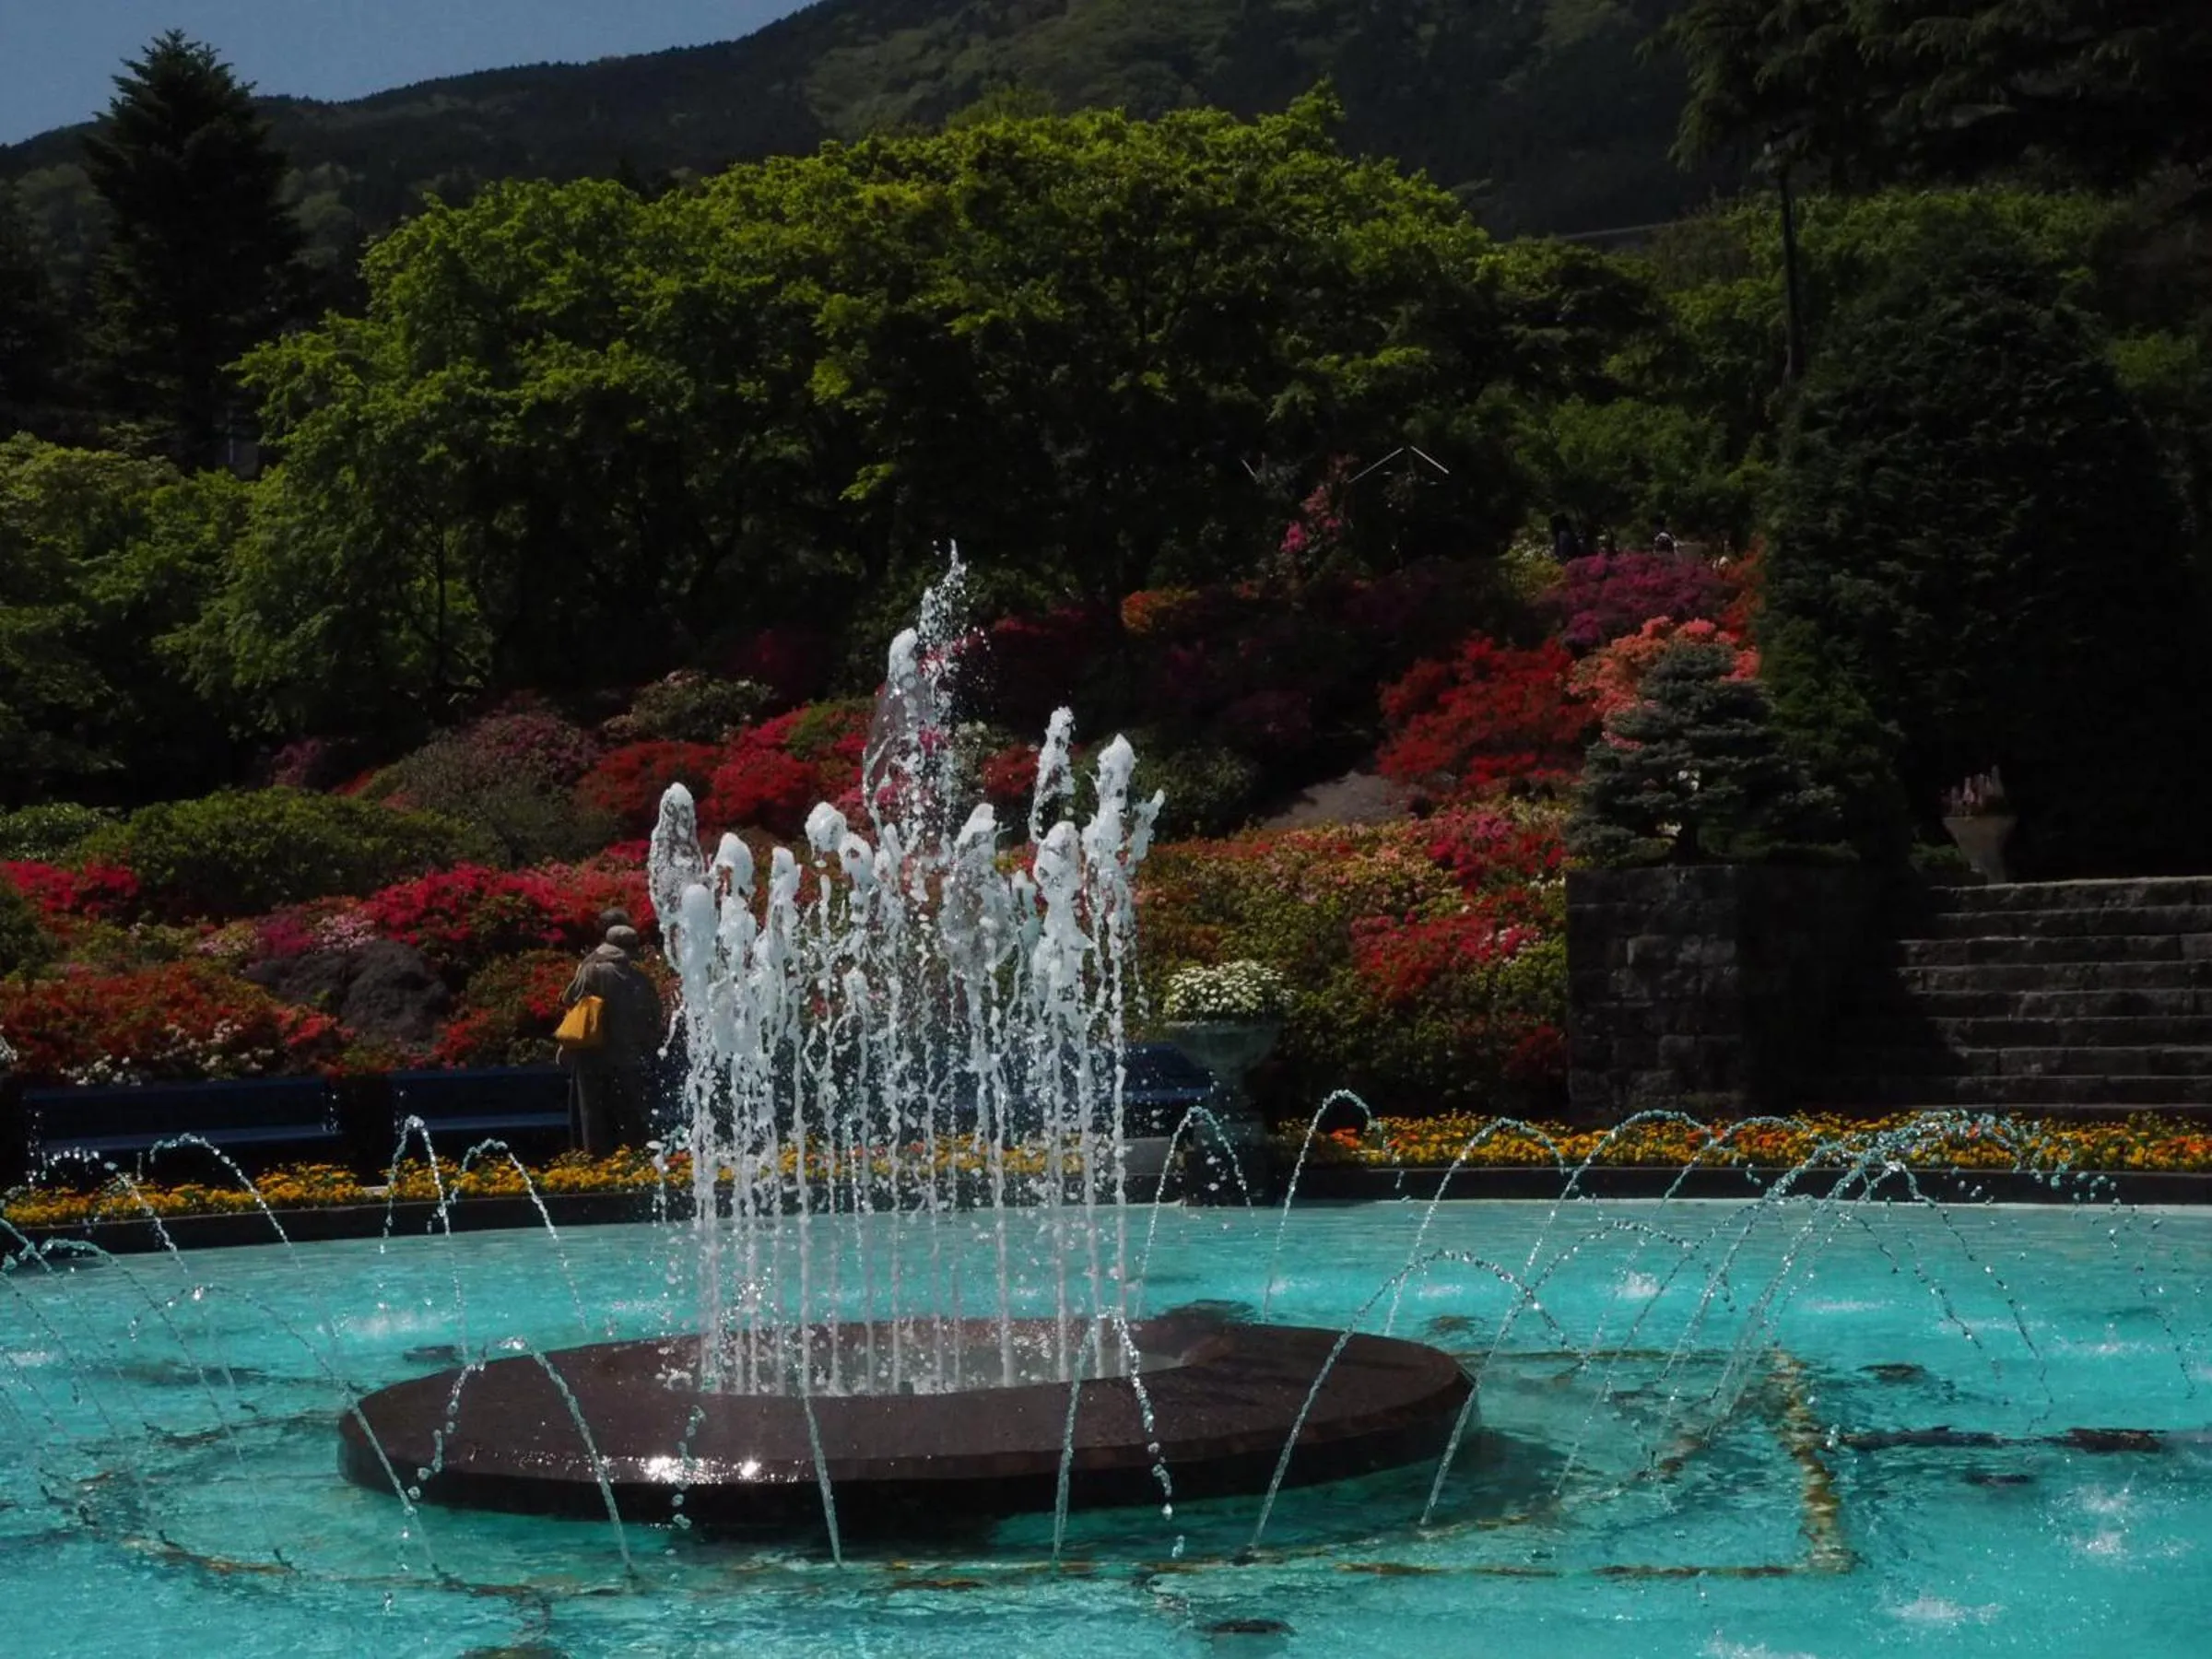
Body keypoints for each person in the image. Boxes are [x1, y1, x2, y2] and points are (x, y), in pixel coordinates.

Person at [560, 921, 664, 1154]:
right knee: (629, 1115)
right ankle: (633, 1163)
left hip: (593, 1056)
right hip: (629, 1058)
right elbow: (654, 1018)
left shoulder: (592, 971)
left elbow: (570, 999)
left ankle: (595, 1163)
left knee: (593, 1117)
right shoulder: (640, 980)